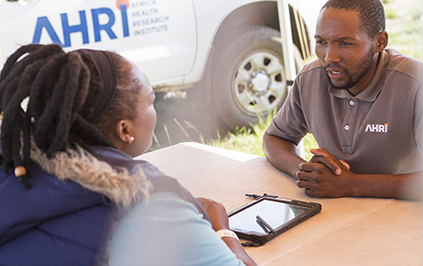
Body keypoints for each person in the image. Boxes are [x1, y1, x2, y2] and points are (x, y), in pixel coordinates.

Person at [0, 44, 256, 266]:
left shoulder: (14, 171)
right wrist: (222, 230)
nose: (154, 109)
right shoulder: (149, 205)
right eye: (151, 100)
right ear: (125, 130)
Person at [263, 0, 423, 199]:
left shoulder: (417, 83)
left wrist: (352, 185)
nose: (330, 57)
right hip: (338, 212)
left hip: (407, 214)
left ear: (380, 42)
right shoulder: (310, 78)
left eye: (345, 43)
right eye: (321, 42)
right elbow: (274, 138)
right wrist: (304, 171)